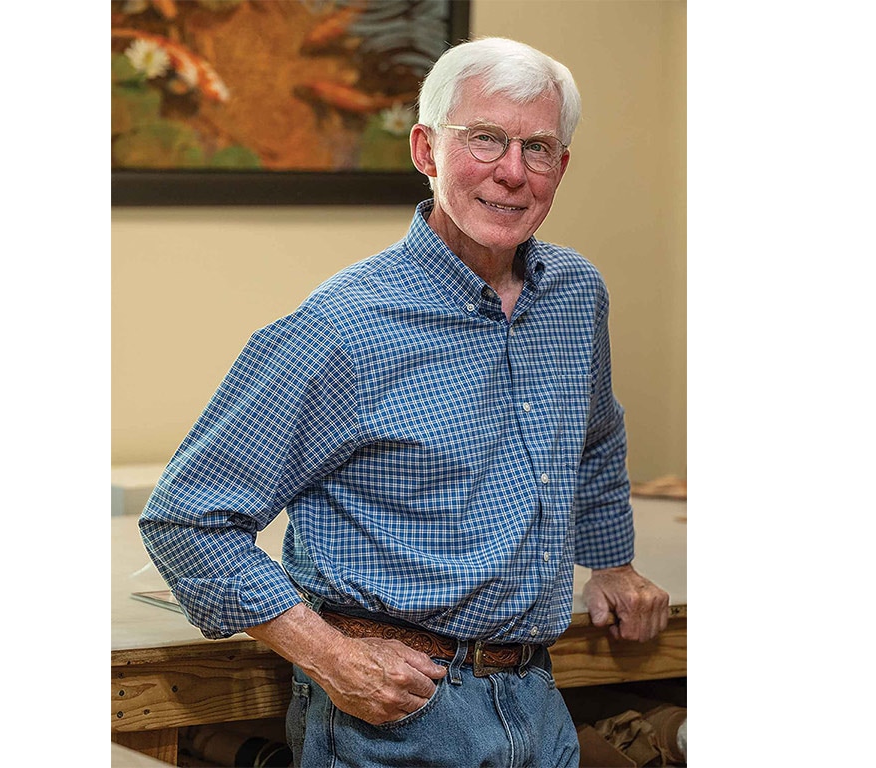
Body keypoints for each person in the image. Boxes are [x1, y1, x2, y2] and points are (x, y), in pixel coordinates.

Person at [139, 36, 670, 768]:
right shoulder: (342, 327)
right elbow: (188, 518)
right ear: (426, 149)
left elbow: (595, 437)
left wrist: (611, 560)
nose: (512, 173)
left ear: (562, 166)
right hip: (393, 717)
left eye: (538, 148)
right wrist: (325, 654)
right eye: (484, 139)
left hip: (537, 702)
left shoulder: (576, 297)